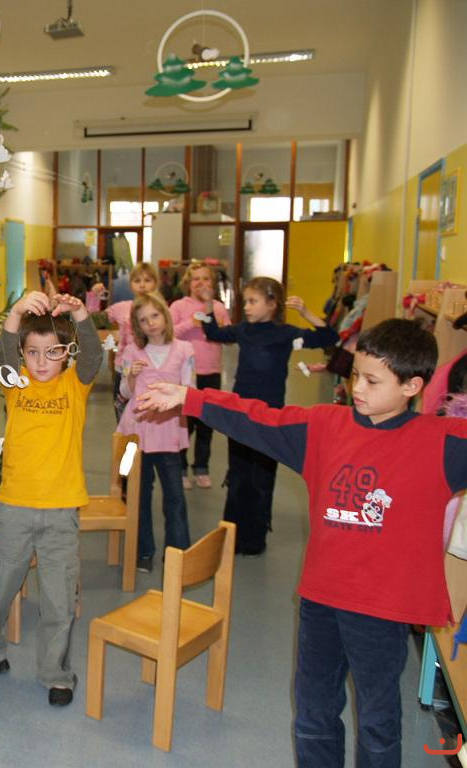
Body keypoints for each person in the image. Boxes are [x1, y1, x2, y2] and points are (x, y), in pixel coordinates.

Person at [136, 318, 467, 767]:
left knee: (378, 722)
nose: (357, 388)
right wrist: (192, 399)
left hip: (382, 612)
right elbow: (259, 418)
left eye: (372, 381)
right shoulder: (325, 426)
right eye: (355, 375)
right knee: (313, 712)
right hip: (321, 602)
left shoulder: (440, 443)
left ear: (412, 386)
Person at [0, 290, 102, 707]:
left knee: (59, 599)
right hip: (14, 506)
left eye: (53, 352)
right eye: (32, 353)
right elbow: (2, 358)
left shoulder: (75, 384)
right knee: (0, 585)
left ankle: (56, 674)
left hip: (61, 511)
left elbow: (93, 356)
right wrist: (15, 312)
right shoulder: (16, 385)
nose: (42, 361)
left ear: (66, 354)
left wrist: (81, 314)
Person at [201, 277, 339, 555]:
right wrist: (207, 304)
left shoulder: (285, 333)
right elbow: (213, 333)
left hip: (270, 415)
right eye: (246, 302)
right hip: (241, 412)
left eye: (253, 302)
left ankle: (255, 539)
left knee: (262, 477)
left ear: (272, 304)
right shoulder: (243, 330)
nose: (247, 307)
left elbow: (329, 337)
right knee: (238, 473)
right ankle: (232, 535)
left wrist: (306, 312)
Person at [116, 293, 195, 573]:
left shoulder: (184, 349)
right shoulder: (131, 352)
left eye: (154, 315)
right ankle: (143, 550)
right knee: (137, 493)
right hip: (135, 433)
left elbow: (189, 389)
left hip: (169, 431)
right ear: (137, 326)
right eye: (142, 320)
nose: (150, 323)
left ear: (165, 315)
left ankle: (178, 554)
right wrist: (131, 376)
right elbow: (124, 393)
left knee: (175, 497)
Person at [170, 261, 230, 489]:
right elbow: (168, 333)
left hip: (211, 372)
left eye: (206, 279)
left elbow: (228, 335)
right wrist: (191, 323)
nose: (201, 283)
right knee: (185, 424)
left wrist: (218, 324)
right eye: (196, 279)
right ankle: (180, 467)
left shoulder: (218, 307)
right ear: (188, 283)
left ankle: (202, 467)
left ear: (213, 284)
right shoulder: (178, 306)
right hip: (186, 374)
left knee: (206, 423)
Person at [105, 262, 160, 421]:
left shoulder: (161, 309)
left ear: (156, 283)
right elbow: (96, 318)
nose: (142, 285)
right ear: (130, 285)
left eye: (147, 280)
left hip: (150, 371)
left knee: (147, 417)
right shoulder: (121, 307)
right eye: (137, 281)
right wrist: (96, 296)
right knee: (122, 417)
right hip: (123, 369)